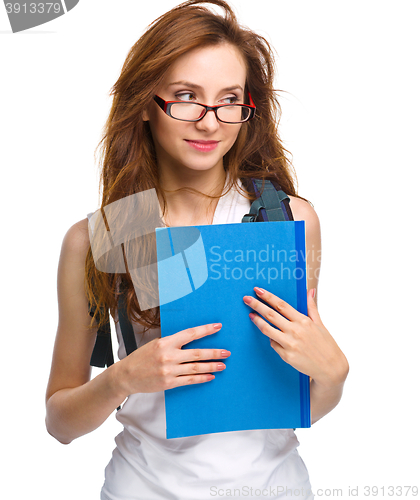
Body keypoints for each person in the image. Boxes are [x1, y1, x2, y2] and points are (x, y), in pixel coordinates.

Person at [45, 1, 349, 498]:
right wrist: (121, 379)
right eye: (187, 96)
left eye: (229, 99)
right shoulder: (101, 237)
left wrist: (332, 376)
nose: (210, 122)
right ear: (146, 103)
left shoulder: (287, 220)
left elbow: (291, 405)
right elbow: (60, 423)